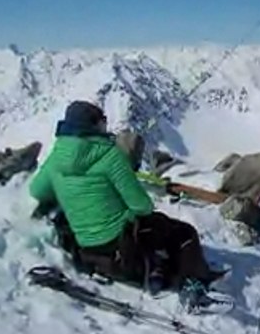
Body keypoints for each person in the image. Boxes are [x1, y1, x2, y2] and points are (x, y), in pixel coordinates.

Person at [29, 100, 227, 308]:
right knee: (184, 233)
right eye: (102, 122)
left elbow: (36, 190)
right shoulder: (109, 155)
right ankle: (193, 287)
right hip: (121, 246)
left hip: (86, 249)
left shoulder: (55, 158)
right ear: (93, 125)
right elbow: (142, 205)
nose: (106, 127)